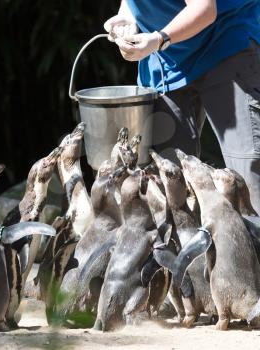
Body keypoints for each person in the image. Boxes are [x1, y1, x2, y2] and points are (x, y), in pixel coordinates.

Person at [104, 0, 260, 214]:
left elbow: (204, 9)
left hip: (225, 41)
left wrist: (159, 39)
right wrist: (128, 16)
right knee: (167, 185)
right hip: (164, 63)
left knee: (250, 181)